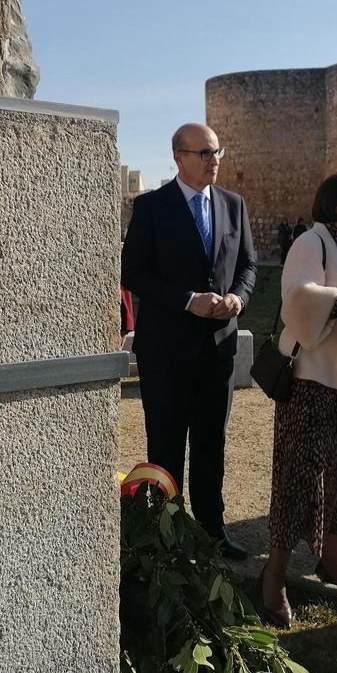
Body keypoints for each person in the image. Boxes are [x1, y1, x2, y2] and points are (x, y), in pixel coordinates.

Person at [259, 172, 337, 628]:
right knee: (298, 482)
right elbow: (298, 300)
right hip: (311, 384)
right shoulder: (311, 244)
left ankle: (331, 563)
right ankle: (272, 579)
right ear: (332, 201)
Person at [121, 123, 257, 559]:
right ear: (178, 157)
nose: (213, 159)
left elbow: (249, 266)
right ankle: (167, 531)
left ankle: (213, 527)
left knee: (211, 440)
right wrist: (187, 301)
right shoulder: (152, 207)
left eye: (217, 151)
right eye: (203, 153)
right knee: (165, 442)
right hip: (166, 352)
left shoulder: (233, 205)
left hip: (217, 348)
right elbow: (134, 273)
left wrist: (238, 297)